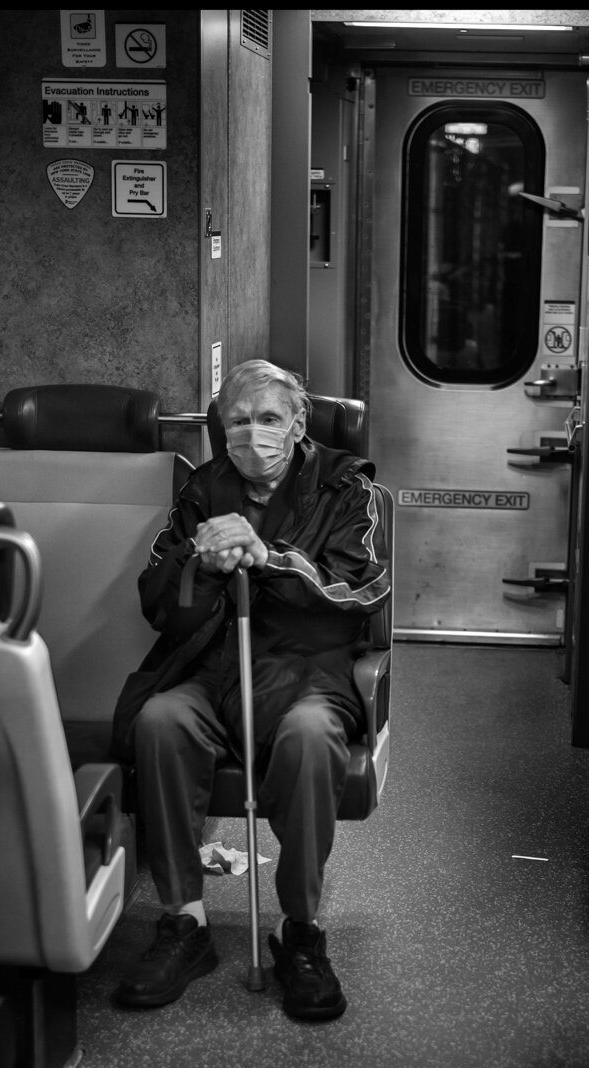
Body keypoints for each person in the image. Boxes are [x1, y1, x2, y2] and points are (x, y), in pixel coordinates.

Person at [110, 359, 388, 1021]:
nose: (253, 433)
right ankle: (185, 922)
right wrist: (200, 567)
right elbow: (157, 603)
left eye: (268, 418)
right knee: (160, 721)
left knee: (312, 736)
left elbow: (360, 590)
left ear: (297, 423)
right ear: (220, 429)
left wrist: (271, 558)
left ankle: (302, 931)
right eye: (238, 420)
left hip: (306, 668)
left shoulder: (347, 487)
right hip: (211, 666)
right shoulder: (202, 490)